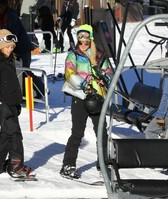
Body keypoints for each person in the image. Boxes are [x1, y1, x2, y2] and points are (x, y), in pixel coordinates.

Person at [60, 24, 112, 179]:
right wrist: (84, 85)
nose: (83, 42)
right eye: (80, 38)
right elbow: (69, 73)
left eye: (86, 37)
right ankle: (68, 165)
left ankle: (103, 164)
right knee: (77, 132)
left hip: (97, 98)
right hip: (81, 97)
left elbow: (109, 72)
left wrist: (105, 79)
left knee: (102, 133)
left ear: (90, 38)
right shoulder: (73, 55)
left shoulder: (100, 55)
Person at [0, 29, 35, 178]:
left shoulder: (10, 60)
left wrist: (17, 102)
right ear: (1, 46)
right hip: (2, 103)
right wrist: (2, 104)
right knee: (15, 134)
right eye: (7, 47)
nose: (10, 49)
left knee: (6, 133)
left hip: (11, 102)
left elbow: (12, 84)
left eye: (12, 47)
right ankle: (16, 166)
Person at [0, 0, 45, 99]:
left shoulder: (11, 16)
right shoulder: (2, 17)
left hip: (22, 47)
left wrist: (9, 47)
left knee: (25, 71)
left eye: (1, 7)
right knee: (19, 72)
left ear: (5, 7)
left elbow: (13, 34)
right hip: (14, 48)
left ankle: (41, 90)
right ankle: (24, 93)